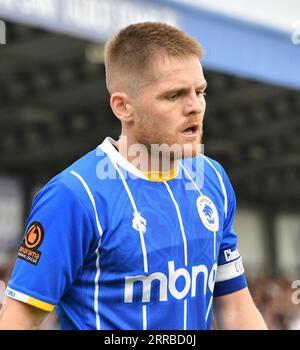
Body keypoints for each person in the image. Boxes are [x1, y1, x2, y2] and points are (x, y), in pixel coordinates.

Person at [0, 22, 267, 330]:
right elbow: (16, 322)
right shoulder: (75, 195)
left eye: (200, 91)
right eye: (174, 95)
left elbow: (234, 307)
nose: (195, 107)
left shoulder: (213, 180)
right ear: (123, 106)